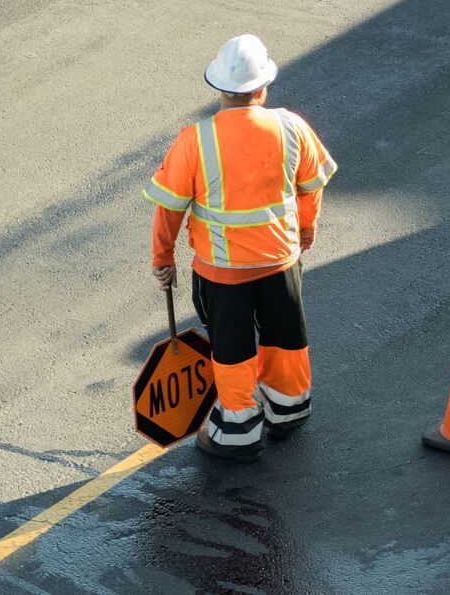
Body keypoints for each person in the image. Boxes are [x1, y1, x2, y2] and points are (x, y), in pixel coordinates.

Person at [142, 34, 337, 462]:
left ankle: (239, 429)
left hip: (222, 274)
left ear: (219, 89)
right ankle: (289, 410)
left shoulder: (195, 140)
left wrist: (163, 260)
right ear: (263, 87)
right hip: (281, 261)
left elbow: (169, 210)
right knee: (285, 337)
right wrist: (306, 231)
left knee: (232, 349)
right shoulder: (291, 126)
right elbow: (311, 186)